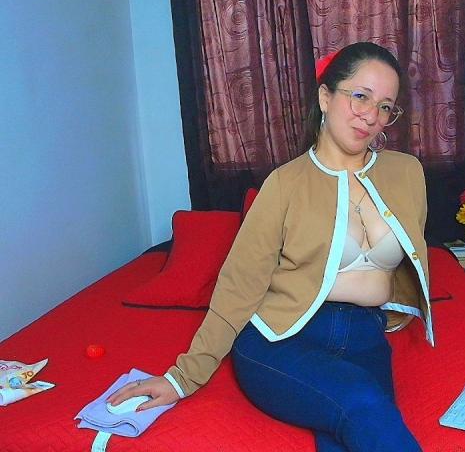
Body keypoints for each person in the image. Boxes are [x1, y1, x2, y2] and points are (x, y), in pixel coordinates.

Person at [107, 41, 433, 451]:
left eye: (385, 106)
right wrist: (181, 378)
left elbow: (412, 253)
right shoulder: (284, 184)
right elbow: (239, 286)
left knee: (353, 424)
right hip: (281, 338)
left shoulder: (407, 173)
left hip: (365, 336)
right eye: (360, 96)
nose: (371, 116)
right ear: (325, 97)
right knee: (363, 405)